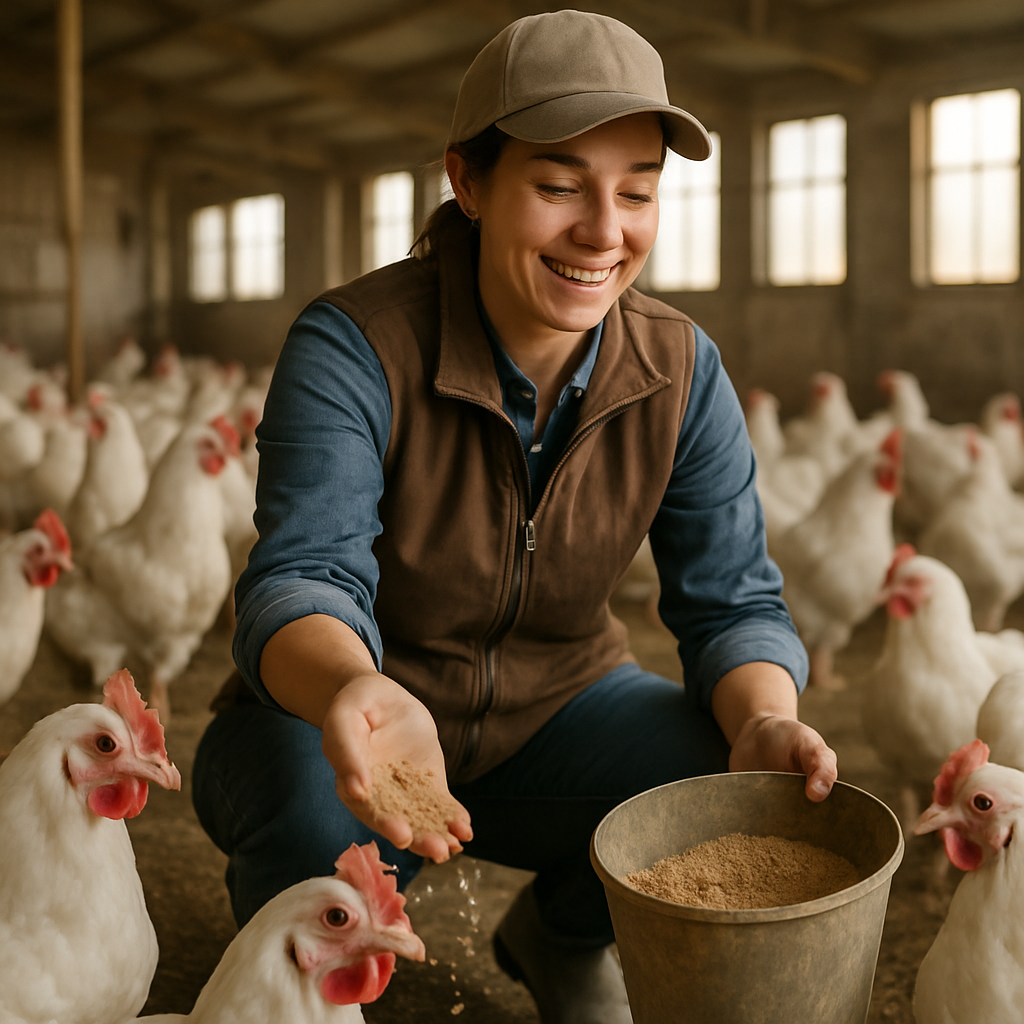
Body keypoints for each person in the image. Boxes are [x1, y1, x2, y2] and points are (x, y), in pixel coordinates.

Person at [192, 10, 839, 1024]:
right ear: (469, 181)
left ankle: (564, 934)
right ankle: (296, 995)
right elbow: (298, 577)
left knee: (724, 765)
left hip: (559, 718)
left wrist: (764, 712)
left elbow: (733, 601)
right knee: (315, 801)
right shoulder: (356, 345)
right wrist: (358, 689)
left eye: (636, 190)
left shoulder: (679, 369)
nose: (603, 228)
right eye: (557, 184)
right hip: (346, 722)